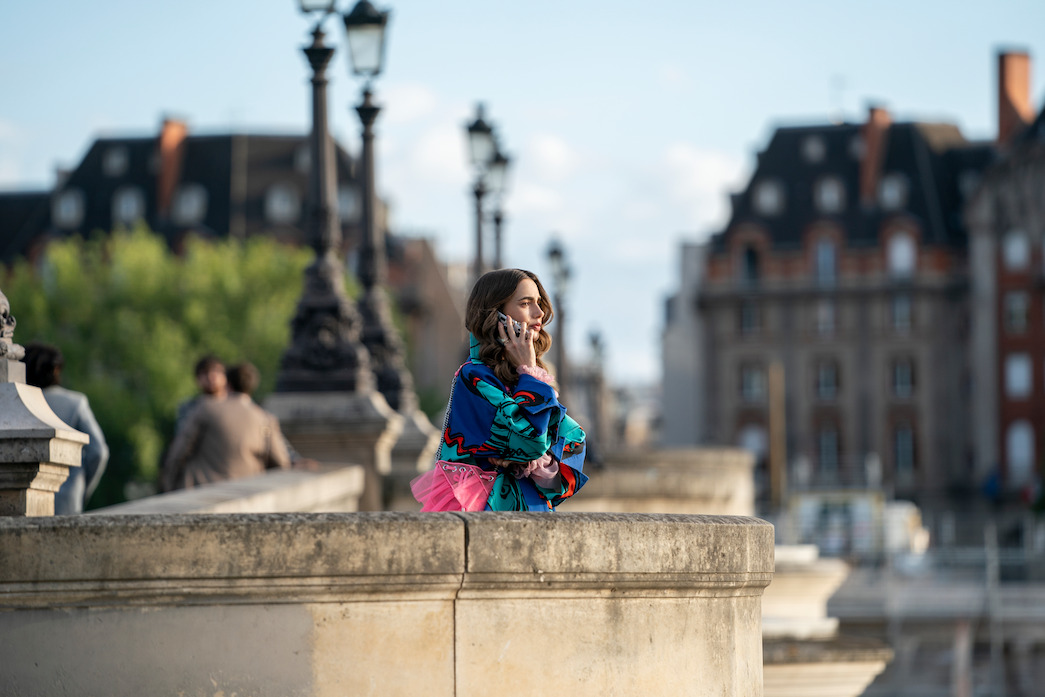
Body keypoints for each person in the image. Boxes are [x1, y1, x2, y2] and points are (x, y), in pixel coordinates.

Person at [411, 268, 588, 512]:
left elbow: (574, 443)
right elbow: (533, 443)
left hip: (532, 515)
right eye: (526, 303)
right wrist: (530, 374)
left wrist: (522, 453)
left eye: (539, 303)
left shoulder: (529, 379)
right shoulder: (473, 377)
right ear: (497, 315)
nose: (539, 313)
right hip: (489, 516)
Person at [161, 360, 291, 491]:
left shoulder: (204, 408)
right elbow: (281, 462)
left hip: (202, 489)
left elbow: (178, 453)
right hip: (247, 491)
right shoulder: (265, 418)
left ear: (227, 384)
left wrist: (169, 484)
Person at [22, 342, 109, 514]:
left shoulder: (20, 402)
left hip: (24, 498)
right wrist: (83, 486)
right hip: (67, 499)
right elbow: (99, 452)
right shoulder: (75, 403)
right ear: (56, 370)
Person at [174, 354, 227, 435]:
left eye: (216, 371)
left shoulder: (235, 406)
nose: (211, 377)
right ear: (197, 379)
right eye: (205, 373)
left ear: (224, 377)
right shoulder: (189, 407)